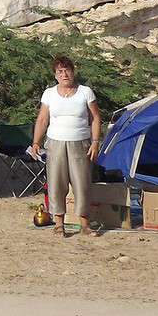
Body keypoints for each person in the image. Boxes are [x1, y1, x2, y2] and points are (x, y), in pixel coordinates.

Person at [29, 55, 103, 237]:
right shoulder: (49, 93)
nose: (64, 74)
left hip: (81, 142)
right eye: (60, 71)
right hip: (55, 143)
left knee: (82, 184)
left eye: (67, 70)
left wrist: (95, 142)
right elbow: (42, 119)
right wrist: (36, 142)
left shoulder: (85, 92)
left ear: (73, 71)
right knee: (56, 183)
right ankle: (59, 223)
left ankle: (85, 225)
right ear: (55, 75)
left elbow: (95, 118)